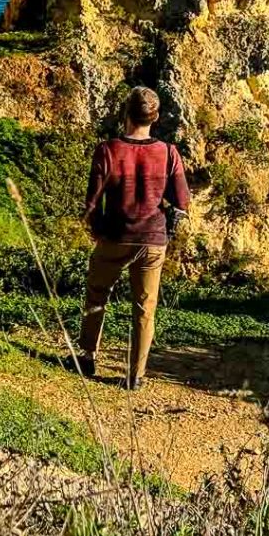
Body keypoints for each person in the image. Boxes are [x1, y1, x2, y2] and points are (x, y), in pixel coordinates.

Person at [76, 86, 190, 390]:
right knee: (144, 308)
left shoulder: (108, 150)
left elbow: (92, 202)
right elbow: (182, 201)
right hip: (153, 238)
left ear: (125, 113)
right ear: (155, 117)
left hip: (115, 236)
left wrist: (97, 230)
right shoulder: (168, 152)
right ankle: (136, 375)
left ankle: (87, 356)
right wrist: (167, 227)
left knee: (97, 293)